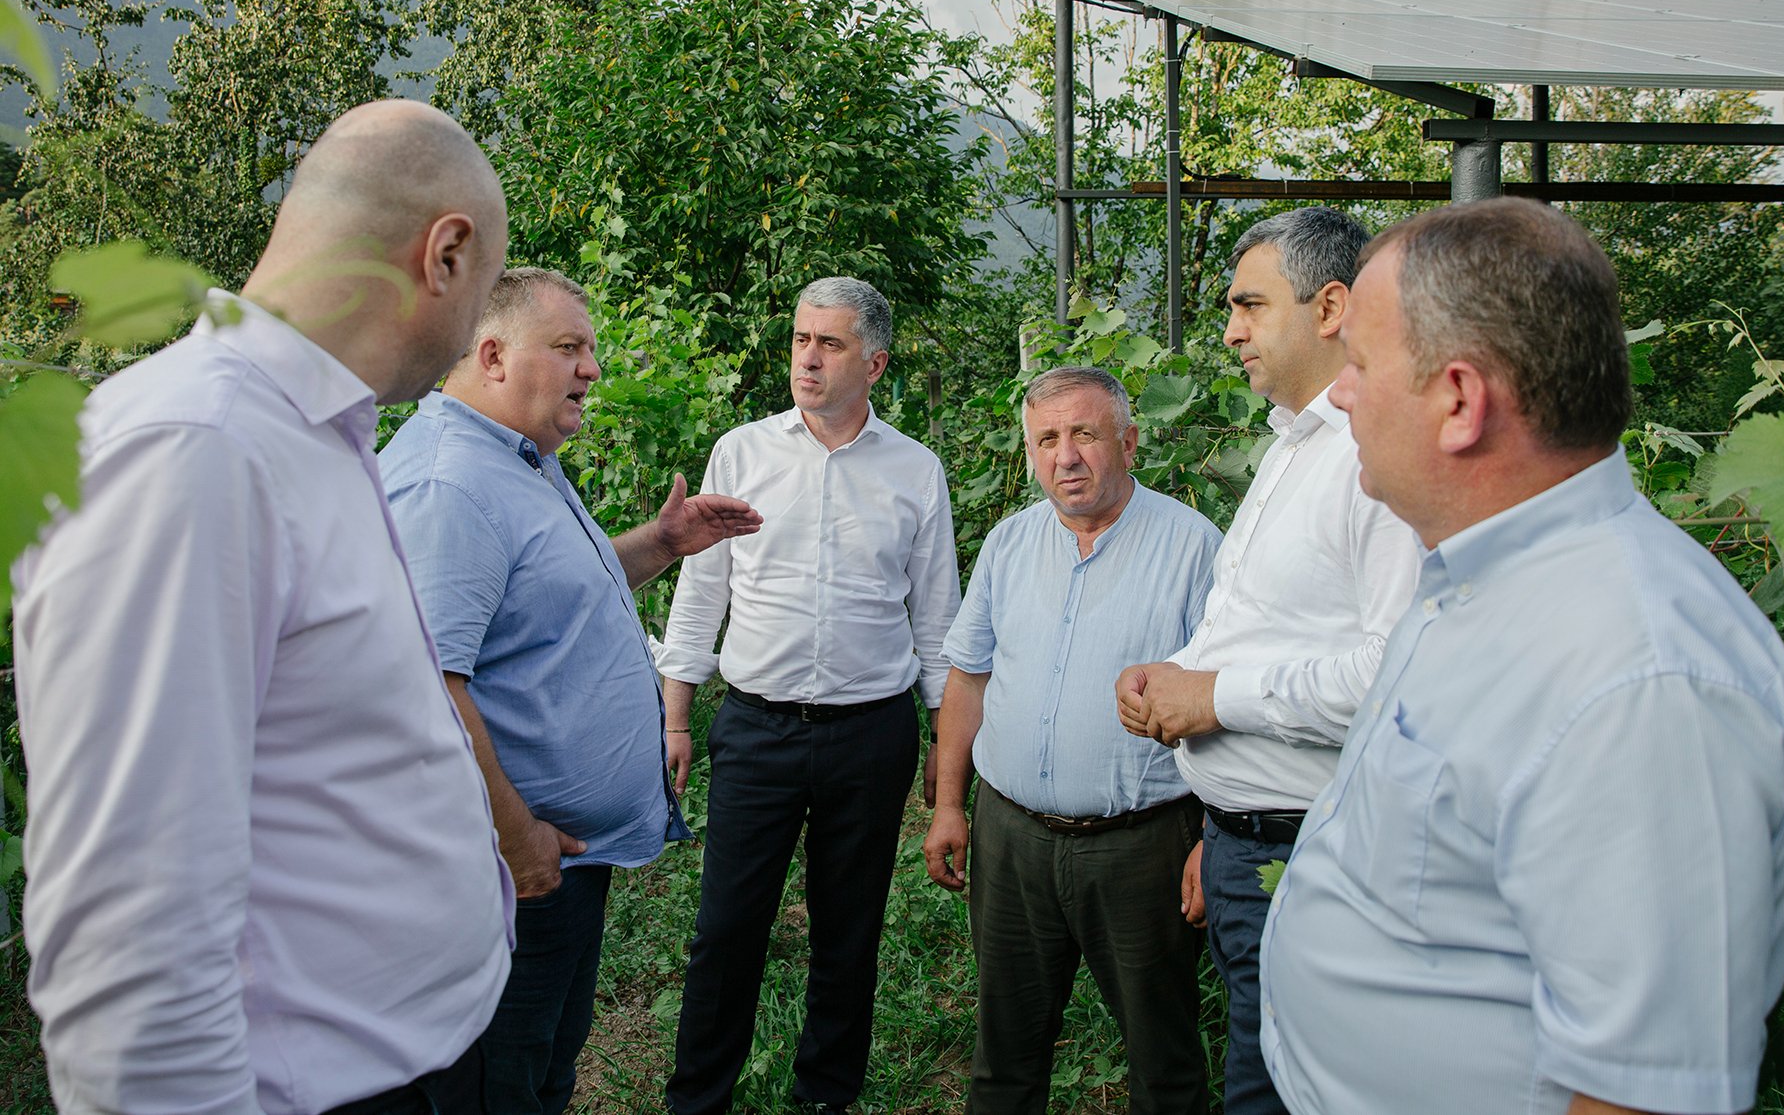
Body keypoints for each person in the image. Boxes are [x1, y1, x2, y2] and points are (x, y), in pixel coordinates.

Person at [11, 100, 516, 1113]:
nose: (475, 330)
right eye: (487, 290)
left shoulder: (308, 437)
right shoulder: (193, 452)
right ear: (447, 254)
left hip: (411, 1065)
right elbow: (130, 947)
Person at [1259, 197, 1784, 1115]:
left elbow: (1643, 1094)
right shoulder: (1477, 573)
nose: (1341, 393)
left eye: (1358, 363)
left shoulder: (1641, 682)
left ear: (1460, 401)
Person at [378, 267, 762, 1114]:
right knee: (493, 1090)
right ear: (492, 355)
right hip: (504, 879)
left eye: (589, 348)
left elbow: (546, 599)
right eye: (567, 347)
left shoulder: (518, 460)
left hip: (557, 866)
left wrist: (662, 542)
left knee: (543, 1074)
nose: (591, 367)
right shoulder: (449, 486)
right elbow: (424, 687)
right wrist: (517, 839)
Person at [1114, 207, 1419, 1114]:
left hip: (1312, 857)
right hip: (1248, 846)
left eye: (1250, 305)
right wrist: (1174, 677)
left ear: (1330, 307)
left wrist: (1214, 697)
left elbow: (1398, 679)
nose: (1230, 331)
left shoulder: (1373, 459)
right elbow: (1269, 626)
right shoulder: (1294, 445)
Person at [657, 276, 961, 1115]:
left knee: (848, 931)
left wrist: (946, 745)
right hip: (757, 729)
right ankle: (698, 1100)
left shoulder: (914, 470)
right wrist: (677, 714)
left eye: (829, 343)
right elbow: (700, 593)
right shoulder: (742, 453)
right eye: (800, 339)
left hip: (871, 735)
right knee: (726, 927)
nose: (808, 358)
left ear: (875, 362)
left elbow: (938, 619)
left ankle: (826, 1095)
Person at [922, 366, 1221, 1115]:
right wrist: (950, 804)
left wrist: (1215, 836)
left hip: (1142, 847)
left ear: (1129, 441)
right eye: (1047, 439)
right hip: (1011, 840)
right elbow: (968, 680)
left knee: (1163, 1060)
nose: (1066, 457)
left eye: (1085, 434)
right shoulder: (1010, 543)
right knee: (1004, 1056)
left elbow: (1225, 702)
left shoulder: (1194, 548)